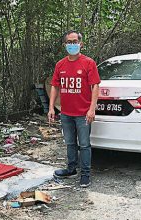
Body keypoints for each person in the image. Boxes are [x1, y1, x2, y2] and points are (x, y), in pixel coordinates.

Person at [48, 30, 100, 188]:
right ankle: (71, 169)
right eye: (69, 42)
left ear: (81, 44)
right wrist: (51, 108)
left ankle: (85, 174)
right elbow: (55, 86)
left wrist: (92, 109)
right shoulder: (60, 64)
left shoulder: (88, 63)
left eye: (74, 42)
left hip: (83, 113)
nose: (72, 45)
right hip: (66, 113)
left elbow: (95, 86)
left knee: (84, 144)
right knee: (70, 143)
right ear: (65, 45)